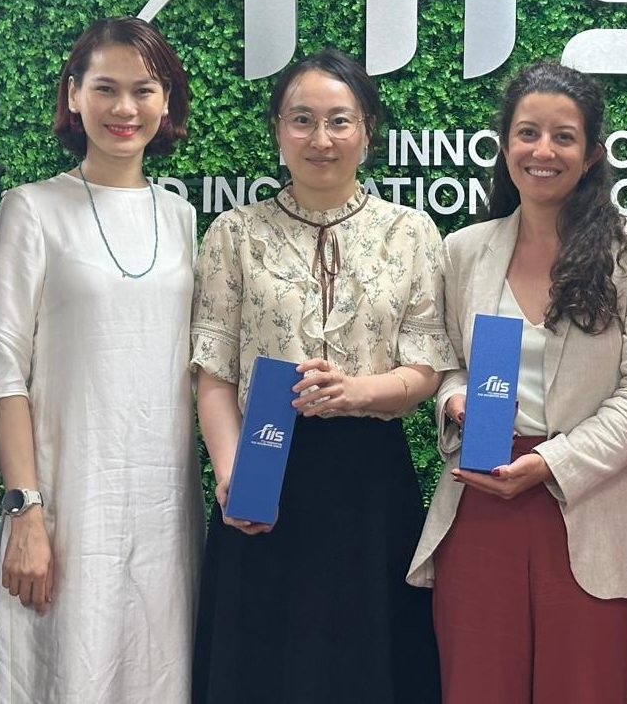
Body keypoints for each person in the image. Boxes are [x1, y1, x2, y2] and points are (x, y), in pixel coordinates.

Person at [407, 61, 627, 704]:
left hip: (594, 505)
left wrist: (551, 463)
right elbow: (447, 360)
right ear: (505, 145)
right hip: (481, 500)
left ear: (592, 154)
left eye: (564, 136)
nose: (543, 150)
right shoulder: (465, 249)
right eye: (528, 133)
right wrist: (454, 397)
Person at [190, 48, 455, 704]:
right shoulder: (234, 233)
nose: (321, 139)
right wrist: (229, 475)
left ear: (367, 130)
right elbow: (214, 371)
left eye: (339, 120)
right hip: (262, 470)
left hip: (368, 482)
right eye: (302, 119)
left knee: (367, 662)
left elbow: (426, 365)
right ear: (278, 130)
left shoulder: (410, 232)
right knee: (260, 664)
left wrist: (360, 391)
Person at [0, 17, 201, 702]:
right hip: (65, 507)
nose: (124, 108)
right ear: (74, 95)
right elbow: (5, 372)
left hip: (165, 510)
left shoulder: (181, 217)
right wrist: (25, 510)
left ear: (166, 102)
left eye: (144, 89)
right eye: (105, 88)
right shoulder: (30, 210)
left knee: (159, 673)